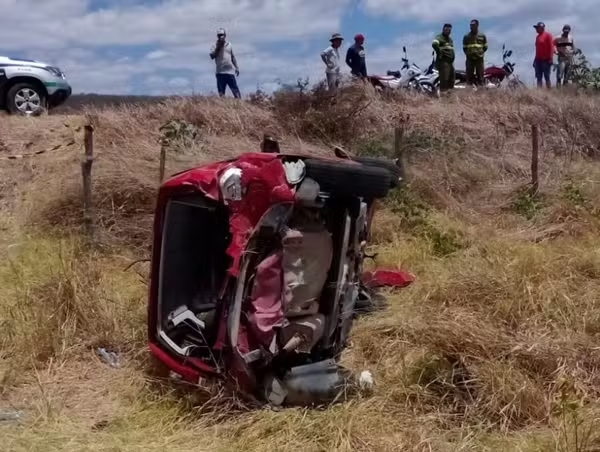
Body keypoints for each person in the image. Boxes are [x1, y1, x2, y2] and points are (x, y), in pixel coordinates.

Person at [209, 28, 241, 98]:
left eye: (222, 35)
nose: (221, 36)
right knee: (221, 94)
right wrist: (218, 47)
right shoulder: (214, 45)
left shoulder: (229, 44)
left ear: (225, 35)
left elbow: (233, 57)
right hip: (220, 73)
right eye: (219, 35)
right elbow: (212, 56)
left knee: (236, 92)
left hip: (230, 72)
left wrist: (237, 67)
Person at [462, 19, 488, 87]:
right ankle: (469, 92)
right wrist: (468, 54)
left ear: (477, 25)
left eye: (473, 25)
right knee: (469, 76)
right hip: (470, 59)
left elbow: (485, 47)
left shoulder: (482, 36)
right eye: (470, 25)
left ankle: (481, 92)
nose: (471, 26)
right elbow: (464, 48)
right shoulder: (466, 36)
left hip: (479, 59)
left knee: (480, 76)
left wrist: (480, 53)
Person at [432, 24, 455, 93]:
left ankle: (450, 95)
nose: (447, 31)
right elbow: (434, 44)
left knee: (452, 79)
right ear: (443, 29)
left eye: (449, 30)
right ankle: (444, 97)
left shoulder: (450, 40)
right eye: (446, 29)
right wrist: (439, 52)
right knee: (444, 80)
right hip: (443, 62)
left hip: (450, 63)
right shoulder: (440, 37)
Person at [533, 22, 554, 88]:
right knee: (538, 77)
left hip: (546, 60)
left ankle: (549, 91)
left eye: (537, 28)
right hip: (538, 60)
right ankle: (539, 92)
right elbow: (537, 49)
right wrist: (535, 60)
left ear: (542, 28)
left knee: (547, 76)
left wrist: (550, 58)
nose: (536, 29)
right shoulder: (537, 37)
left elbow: (551, 47)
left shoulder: (548, 35)